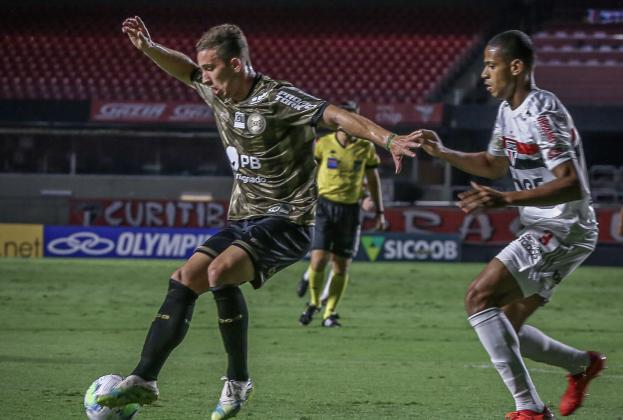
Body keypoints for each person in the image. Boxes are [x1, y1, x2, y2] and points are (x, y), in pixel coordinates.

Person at [96, 16, 422, 420]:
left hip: (290, 220)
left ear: (236, 64)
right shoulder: (216, 91)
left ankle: (237, 381)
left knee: (220, 272)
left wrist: (388, 138)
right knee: (184, 279)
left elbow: (335, 115)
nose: (206, 78)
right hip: (245, 217)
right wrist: (149, 48)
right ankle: (144, 379)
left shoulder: (278, 98)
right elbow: (185, 68)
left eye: (212, 68)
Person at [420, 30, 605, 419]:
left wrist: (505, 199)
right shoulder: (508, 111)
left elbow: (572, 183)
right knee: (506, 326)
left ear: (516, 67)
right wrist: (443, 152)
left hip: (562, 227)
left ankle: (530, 410)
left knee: (478, 297)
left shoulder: (543, 112)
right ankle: (582, 365)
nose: (485, 74)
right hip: (550, 226)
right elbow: (493, 165)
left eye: (491, 65)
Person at [296, 100, 387, 328]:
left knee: (341, 265)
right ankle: (314, 302)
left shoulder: (366, 148)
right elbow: (307, 172)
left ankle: (330, 313)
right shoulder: (323, 144)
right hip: (325, 206)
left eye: (354, 118)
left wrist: (379, 210)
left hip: (350, 209)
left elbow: (373, 180)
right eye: (346, 117)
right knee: (318, 260)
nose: (349, 123)